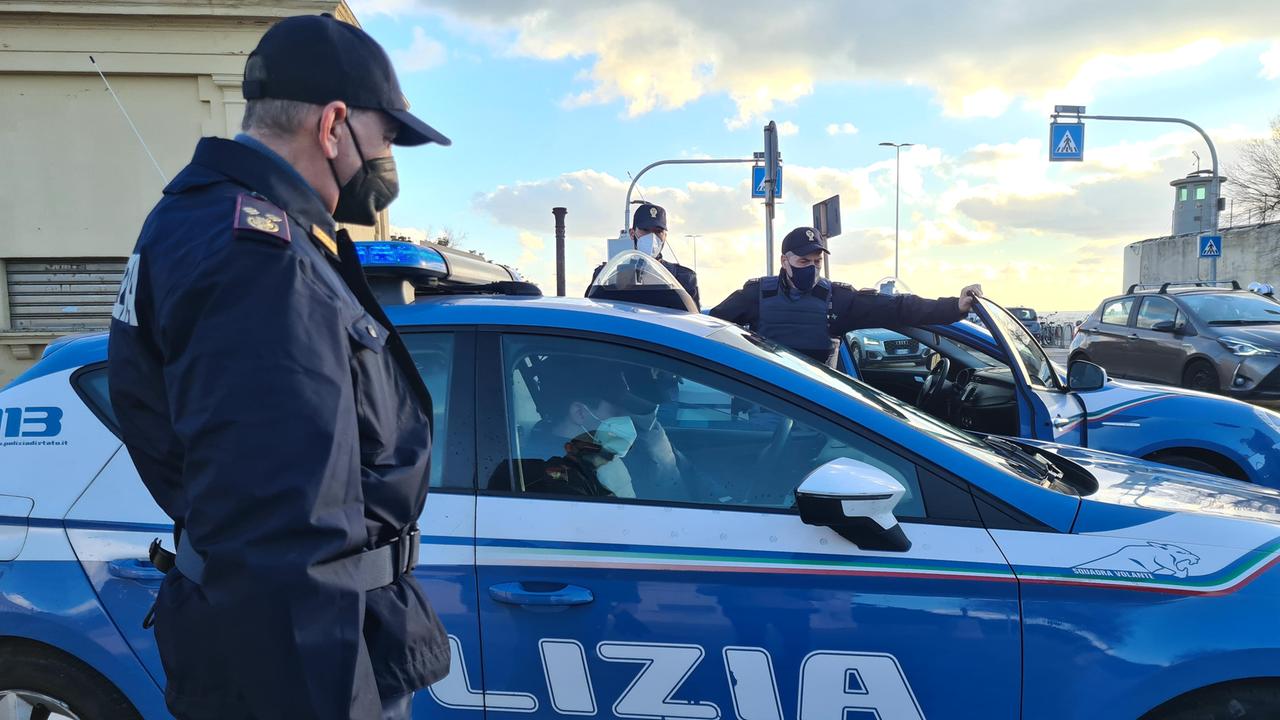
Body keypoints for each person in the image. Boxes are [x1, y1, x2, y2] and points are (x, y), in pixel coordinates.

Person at [106, 15, 450, 720]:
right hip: (313, 663)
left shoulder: (209, 224)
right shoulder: (260, 258)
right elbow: (283, 532)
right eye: (386, 138)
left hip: (313, 641)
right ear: (333, 125)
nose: (389, 162)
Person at [710, 226, 983, 364]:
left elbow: (898, 308)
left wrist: (954, 306)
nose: (812, 268)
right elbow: (714, 328)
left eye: (817, 261)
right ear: (784, 261)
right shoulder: (756, 294)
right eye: (804, 262)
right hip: (764, 402)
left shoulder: (838, 299)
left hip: (817, 405)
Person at [591, 202, 701, 308]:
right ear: (632, 233)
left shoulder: (683, 278)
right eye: (645, 230)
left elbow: (693, 317)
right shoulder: (606, 276)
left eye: (658, 231)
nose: (652, 237)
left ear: (665, 236)